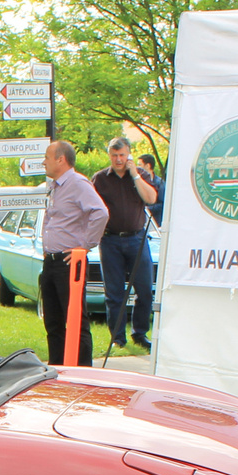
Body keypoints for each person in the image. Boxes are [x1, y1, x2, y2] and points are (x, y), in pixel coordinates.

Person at [39, 141, 108, 367]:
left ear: (61, 159)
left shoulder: (77, 183)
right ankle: (58, 369)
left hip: (69, 264)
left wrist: (84, 246)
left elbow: (100, 213)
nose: (44, 162)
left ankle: (83, 373)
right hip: (51, 261)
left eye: (47, 157)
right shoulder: (55, 186)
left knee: (76, 321)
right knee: (53, 322)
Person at [92, 137, 158, 354]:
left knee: (145, 290)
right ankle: (117, 338)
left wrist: (135, 175)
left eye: (122, 155)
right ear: (109, 155)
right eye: (114, 155)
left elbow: (151, 199)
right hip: (110, 240)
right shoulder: (100, 179)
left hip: (137, 239)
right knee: (114, 293)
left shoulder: (141, 174)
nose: (119, 159)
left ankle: (140, 333)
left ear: (129, 154)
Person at [139, 153, 165, 227]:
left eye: (140, 164)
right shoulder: (138, 182)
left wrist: (146, 209)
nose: (137, 167)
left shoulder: (160, 183)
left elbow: (162, 204)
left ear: (148, 166)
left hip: (155, 223)